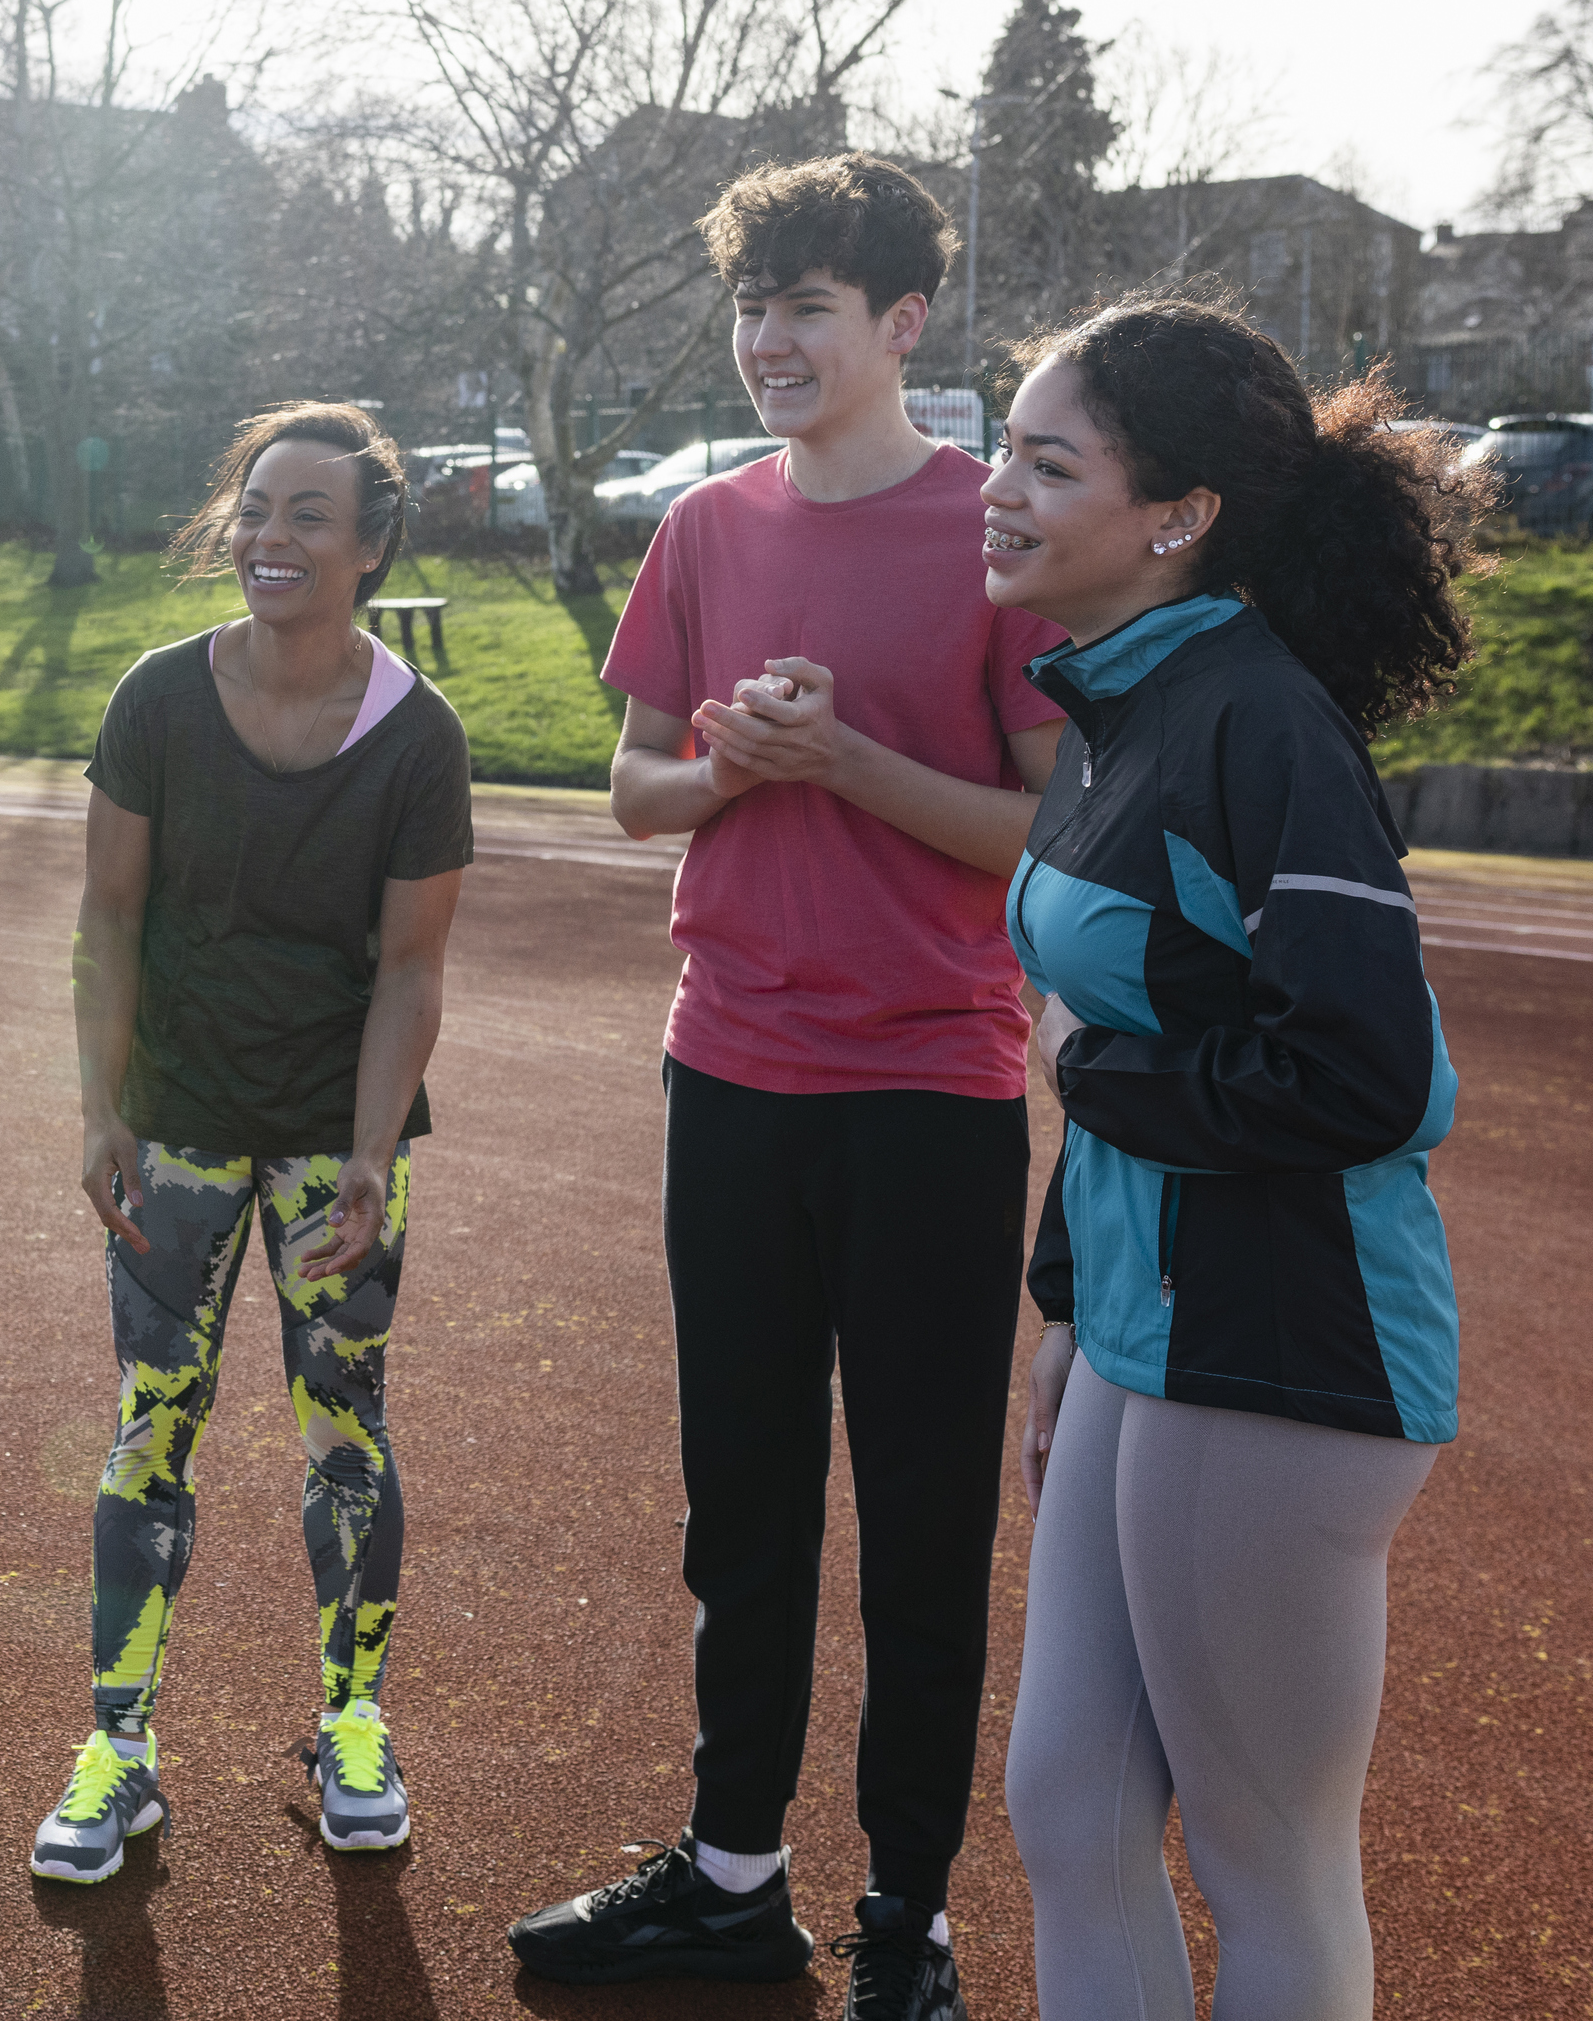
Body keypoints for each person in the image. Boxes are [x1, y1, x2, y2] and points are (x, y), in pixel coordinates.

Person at [509, 153, 1066, 2018]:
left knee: (921, 1513)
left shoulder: (998, 533)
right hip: (727, 1074)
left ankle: (906, 1915)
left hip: (928, 1086)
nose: (770, 341)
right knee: (739, 1498)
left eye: (809, 306)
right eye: (755, 306)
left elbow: (1048, 826)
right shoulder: (706, 528)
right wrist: (746, 770)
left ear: (904, 324)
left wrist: (845, 764)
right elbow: (636, 786)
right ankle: (733, 1875)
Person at [984, 299, 1484, 2021]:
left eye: (1050, 462)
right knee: (1068, 1804)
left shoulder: (1258, 724)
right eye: (1006, 445)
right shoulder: (1120, 708)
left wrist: (1093, 1064)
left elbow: (1364, 1068)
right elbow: (1113, 1054)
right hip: (1147, 1324)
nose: (1000, 486)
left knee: (1269, 1857)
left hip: (1283, 1345)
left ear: (1178, 512)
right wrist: (1062, 1302)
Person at [30, 403, 474, 1885]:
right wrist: (101, 1106)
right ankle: (119, 1747)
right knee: (153, 1415)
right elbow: (106, 915)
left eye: (307, 517)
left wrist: (367, 1152)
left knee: (344, 1426)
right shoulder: (157, 697)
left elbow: (411, 967)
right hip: (177, 1126)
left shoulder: (417, 733)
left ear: (370, 547)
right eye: (256, 509)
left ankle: (353, 1723)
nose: (270, 539)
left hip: (331, 1138)